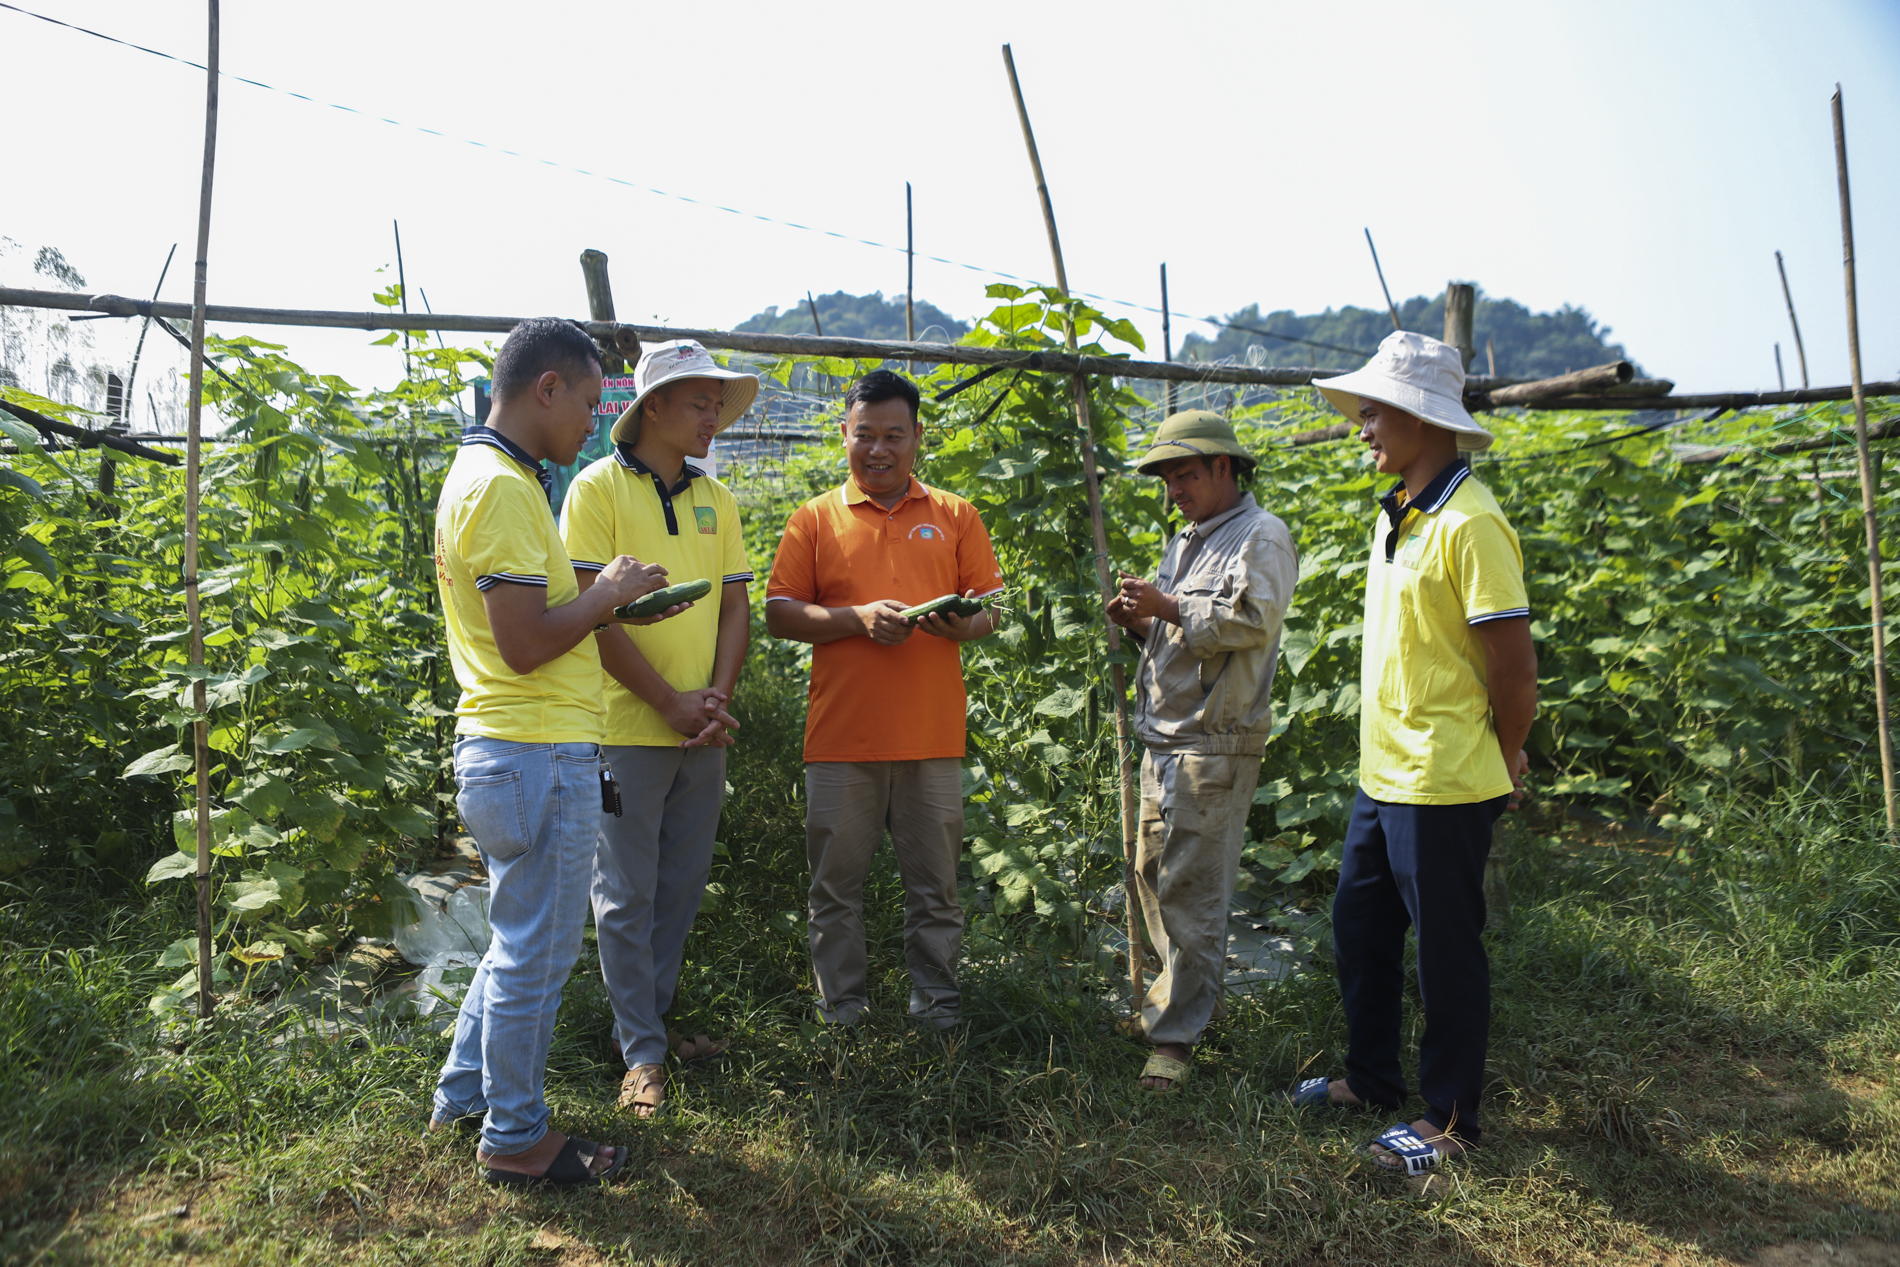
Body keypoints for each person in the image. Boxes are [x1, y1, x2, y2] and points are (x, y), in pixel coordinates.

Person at [429, 317, 681, 1187]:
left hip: (513, 748)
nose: (590, 417)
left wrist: (612, 603)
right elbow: (526, 643)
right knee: (538, 952)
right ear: (546, 388)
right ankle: (515, 1137)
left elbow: (535, 624)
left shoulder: (491, 475)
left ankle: (463, 1093)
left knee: (516, 938)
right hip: (534, 748)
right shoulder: (501, 488)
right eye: (585, 397)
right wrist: (604, 590)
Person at [1288, 331, 1537, 1177]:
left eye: (1372, 411)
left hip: (1444, 775)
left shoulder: (1473, 523)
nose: (1360, 426)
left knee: (1446, 953)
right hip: (1384, 770)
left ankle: (1452, 1120)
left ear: (1421, 418)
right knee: (1359, 928)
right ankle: (1372, 1078)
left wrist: (1506, 758)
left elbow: (1514, 667)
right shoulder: (1400, 511)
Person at [765, 369, 1004, 1028]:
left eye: (893, 435)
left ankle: (937, 1014)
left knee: (936, 891)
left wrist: (966, 622)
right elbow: (779, 613)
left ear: (917, 437)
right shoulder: (814, 518)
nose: (878, 449)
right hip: (842, 741)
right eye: (864, 435)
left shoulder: (956, 515)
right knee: (834, 890)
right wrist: (856, 618)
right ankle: (841, 1013)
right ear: (842, 434)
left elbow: (990, 609)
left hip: (931, 740)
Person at [560, 339, 758, 1117]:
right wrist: (667, 702)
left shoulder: (718, 495)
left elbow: (735, 603)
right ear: (651, 409)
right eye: (699, 401)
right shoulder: (596, 490)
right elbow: (592, 618)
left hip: (698, 728)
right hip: (627, 727)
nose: (714, 415)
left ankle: (642, 1028)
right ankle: (641, 1051)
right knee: (624, 894)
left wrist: (713, 697)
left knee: (678, 886)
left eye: (718, 401)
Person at [1105, 410, 1298, 1094]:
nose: (1174, 489)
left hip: (1213, 742)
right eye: (1165, 477)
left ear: (1226, 467)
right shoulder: (1190, 538)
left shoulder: (1260, 536)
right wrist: (1143, 623)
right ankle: (1169, 1006)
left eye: (1185, 473)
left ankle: (1177, 1039)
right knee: (1155, 876)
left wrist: (1168, 607)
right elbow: (1184, 638)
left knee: (1192, 888)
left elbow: (1253, 620)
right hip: (1167, 733)